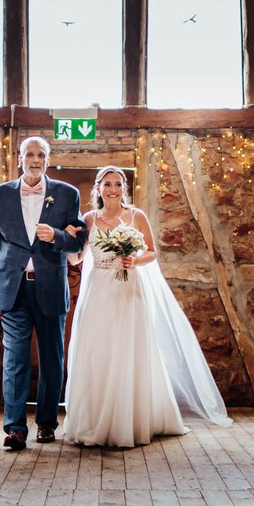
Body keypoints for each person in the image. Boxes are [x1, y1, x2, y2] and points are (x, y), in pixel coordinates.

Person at [63, 165, 229, 448]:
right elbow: (76, 260)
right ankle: (93, 418)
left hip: (128, 290)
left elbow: (151, 251)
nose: (112, 189)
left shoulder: (135, 216)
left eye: (117, 184)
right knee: (97, 351)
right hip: (98, 290)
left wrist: (134, 260)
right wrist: (66, 239)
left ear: (123, 189)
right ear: (98, 188)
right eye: (107, 184)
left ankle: (130, 419)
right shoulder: (88, 219)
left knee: (128, 349)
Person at [0, 136, 86, 450]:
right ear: (20, 158)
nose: (35, 159)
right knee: (14, 359)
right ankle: (14, 429)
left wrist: (55, 235)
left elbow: (79, 241)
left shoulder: (67, 194)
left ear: (47, 159)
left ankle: (46, 423)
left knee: (53, 358)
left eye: (41, 154)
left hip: (50, 285)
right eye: (30, 154)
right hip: (11, 287)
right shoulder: (0, 194)